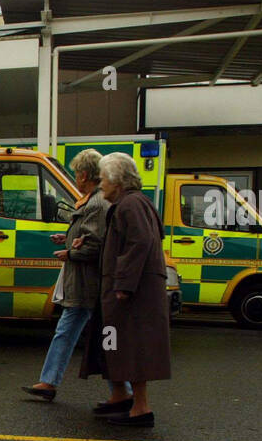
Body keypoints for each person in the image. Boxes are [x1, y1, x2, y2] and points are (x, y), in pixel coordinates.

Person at [23, 149, 130, 405]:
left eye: (76, 174)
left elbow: (95, 245)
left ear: (83, 175)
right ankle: (50, 382)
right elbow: (91, 237)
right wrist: (69, 238)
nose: (75, 179)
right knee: (82, 333)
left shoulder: (96, 204)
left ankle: (124, 390)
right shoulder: (95, 202)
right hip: (87, 281)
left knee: (103, 337)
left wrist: (70, 253)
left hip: (88, 281)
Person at [79, 152, 172, 426]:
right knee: (111, 343)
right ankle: (119, 395)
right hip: (116, 293)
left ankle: (140, 408)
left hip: (130, 296)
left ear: (118, 181)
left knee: (130, 347)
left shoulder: (131, 204)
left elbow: (140, 242)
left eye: (105, 178)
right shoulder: (130, 204)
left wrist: (123, 285)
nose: (100, 184)